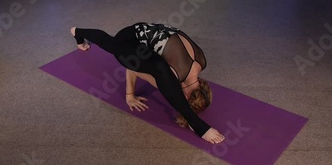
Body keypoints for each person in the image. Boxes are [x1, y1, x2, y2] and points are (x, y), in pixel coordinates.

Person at [71, 22, 225, 144]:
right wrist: (129, 95)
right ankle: (195, 123)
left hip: (139, 30)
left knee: (155, 65)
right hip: (128, 40)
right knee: (114, 46)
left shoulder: (201, 62)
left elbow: (143, 64)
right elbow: (132, 67)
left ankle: (77, 32)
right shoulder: (171, 75)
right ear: (184, 97)